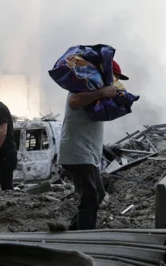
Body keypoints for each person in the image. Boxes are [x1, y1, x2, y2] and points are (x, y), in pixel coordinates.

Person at [58, 60, 129, 230]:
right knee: (90, 197)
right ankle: (84, 241)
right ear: (105, 75)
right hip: (78, 153)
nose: (115, 82)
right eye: (115, 78)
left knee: (97, 196)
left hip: (88, 155)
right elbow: (74, 102)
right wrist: (103, 92)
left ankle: (72, 231)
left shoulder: (96, 91)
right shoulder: (84, 85)